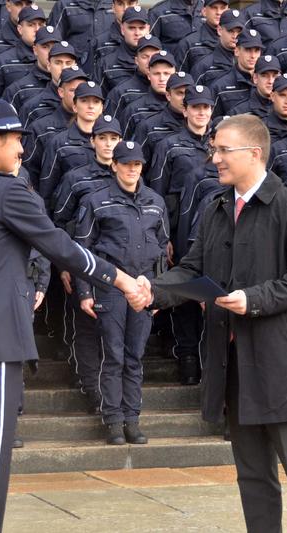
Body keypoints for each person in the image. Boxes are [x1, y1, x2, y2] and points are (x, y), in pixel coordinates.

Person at [0, 98, 150, 533]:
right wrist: (121, 280)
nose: (22, 149)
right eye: (15, 140)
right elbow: (62, 247)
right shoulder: (5, 192)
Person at [151, 114, 287, 533]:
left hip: (286, 366)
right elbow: (193, 270)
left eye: (223, 150)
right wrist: (151, 291)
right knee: (253, 477)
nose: (215, 158)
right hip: (237, 365)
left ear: (254, 153)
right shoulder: (217, 208)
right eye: (214, 150)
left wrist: (254, 299)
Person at [73, 140, 168, 444]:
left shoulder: (155, 201)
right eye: (126, 164)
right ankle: (113, 419)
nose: (132, 169)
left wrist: (159, 293)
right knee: (113, 355)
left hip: (143, 288)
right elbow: (82, 252)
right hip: (109, 287)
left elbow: (163, 251)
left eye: (137, 164)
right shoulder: (95, 200)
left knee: (135, 355)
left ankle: (132, 419)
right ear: (114, 165)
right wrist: (85, 292)